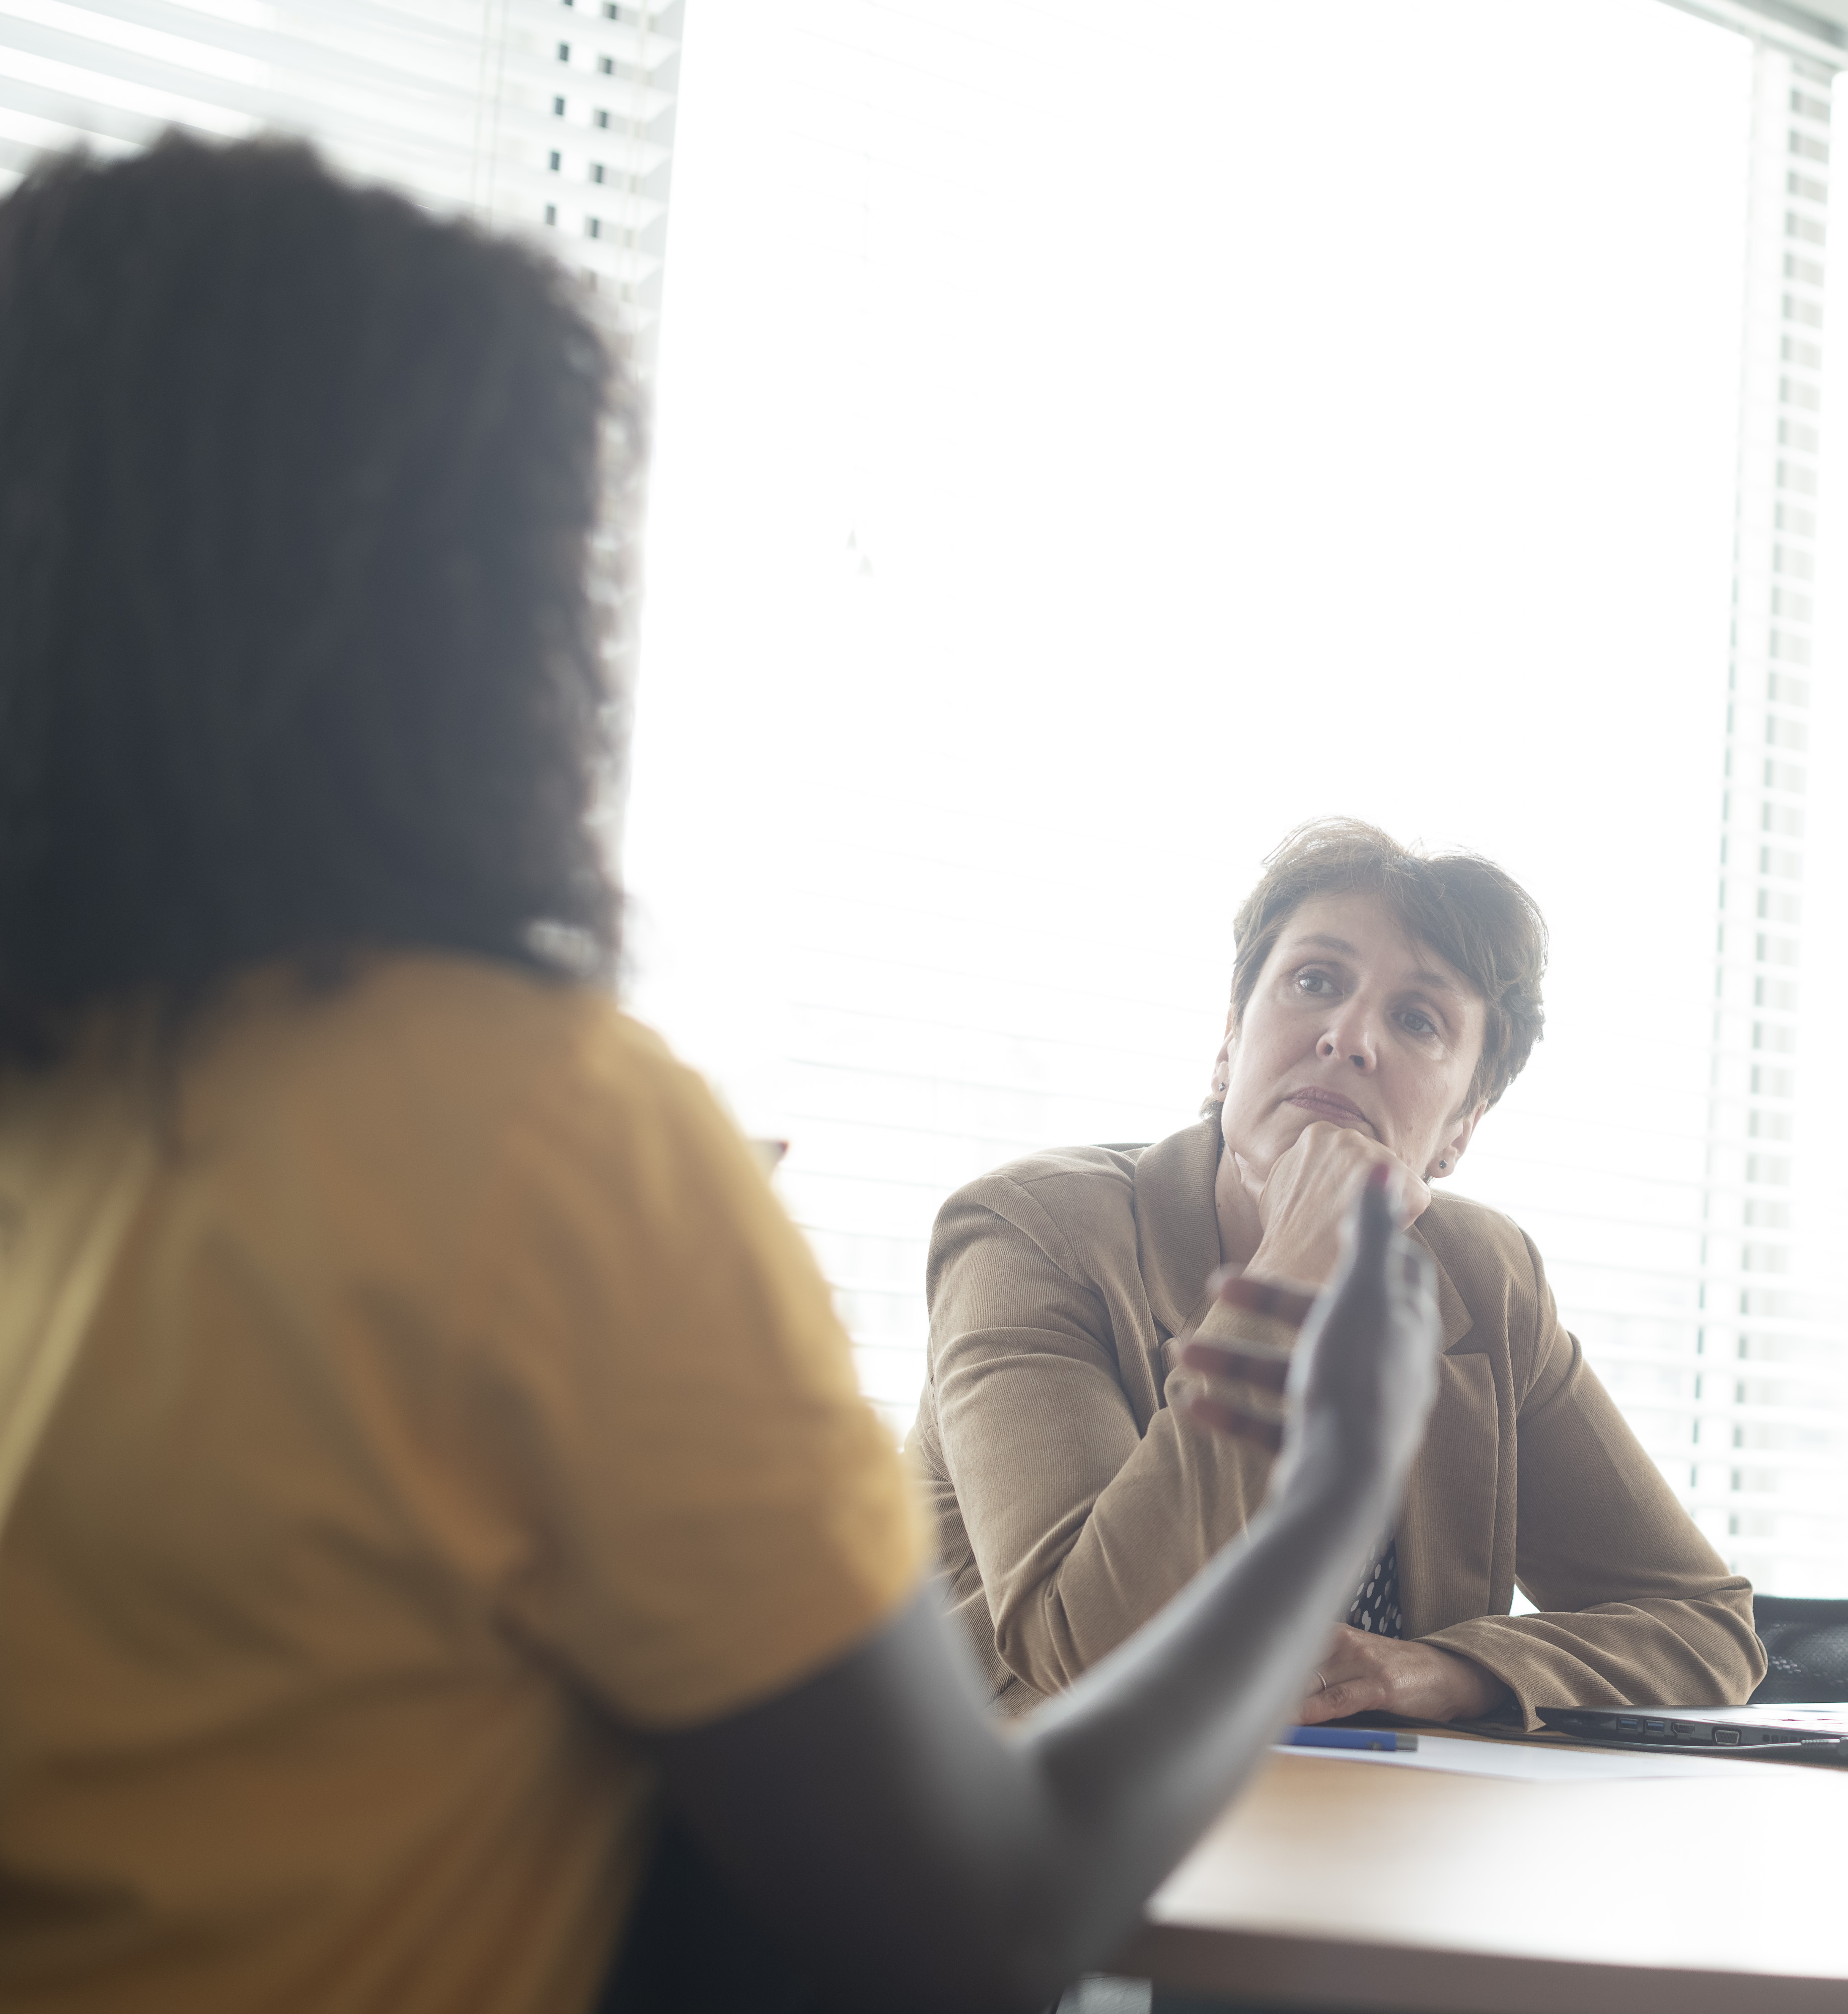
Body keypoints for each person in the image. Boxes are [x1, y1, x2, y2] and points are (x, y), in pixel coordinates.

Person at [0, 136, 1445, 2014]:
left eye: (1419, 1018)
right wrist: (1334, 1481)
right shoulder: (534, 1135)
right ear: (472, 627)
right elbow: (981, 1925)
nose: (1349, 1040)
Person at [910, 818, 1765, 1727]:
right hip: (1009, 1832)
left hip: (1348, 1826)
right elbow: (1091, 1648)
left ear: (1461, 1128)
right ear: (1230, 1043)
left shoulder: (1484, 1278)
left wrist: (1436, 1672)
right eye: (1315, 982)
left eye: (1417, 1020)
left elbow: (1707, 1628)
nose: (1350, 1038)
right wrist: (1291, 1275)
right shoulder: (1030, 1233)